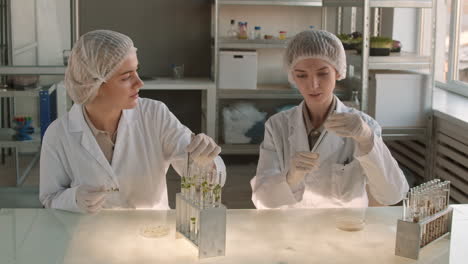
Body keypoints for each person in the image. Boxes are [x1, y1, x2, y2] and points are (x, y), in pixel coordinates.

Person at [40, 30, 225, 213]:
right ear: (93, 84)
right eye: (126, 77)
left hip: (154, 234)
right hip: (91, 235)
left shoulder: (155, 115)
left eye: (136, 71)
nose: (139, 83)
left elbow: (199, 172)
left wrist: (206, 161)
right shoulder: (58, 134)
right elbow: (49, 197)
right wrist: (73, 199)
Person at [250, 30, 409, 209]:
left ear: (338, 72)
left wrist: (366, 139)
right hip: (293, 230)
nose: (313, 84)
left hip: (345, 230)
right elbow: (262, 201)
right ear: (292, 76)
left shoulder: (366, 125)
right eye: (302, 75)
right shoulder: (277, 126)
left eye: (323, 73)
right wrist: (290, 178)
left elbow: (393, 194)